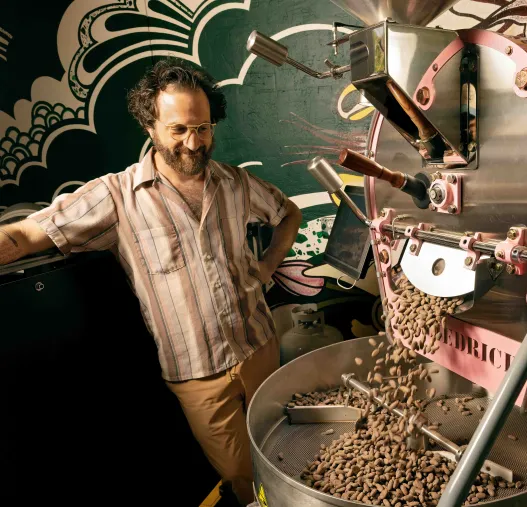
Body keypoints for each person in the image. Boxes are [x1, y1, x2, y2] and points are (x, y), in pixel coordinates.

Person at [0, 57, 302, 506]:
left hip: (259, 345)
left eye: (202, 128)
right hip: (197, 374)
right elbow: (25, 235)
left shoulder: (236, 183)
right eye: (178, 129)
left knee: (284, 453)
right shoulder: (116, 196)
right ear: (150, 126)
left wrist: (268, 264)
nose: (193, 142)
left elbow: (288, 213)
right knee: (245, 477)